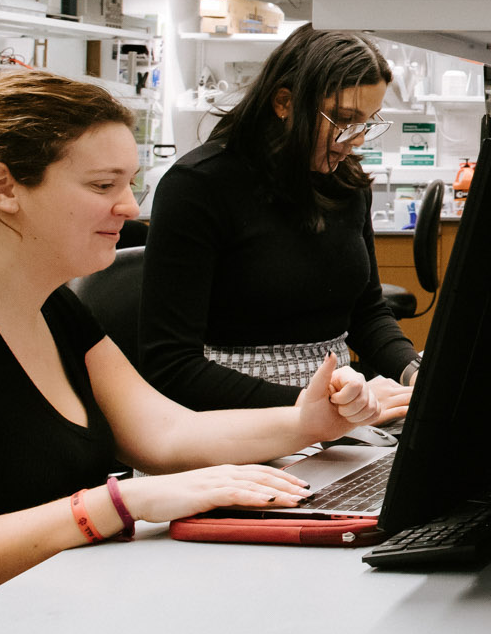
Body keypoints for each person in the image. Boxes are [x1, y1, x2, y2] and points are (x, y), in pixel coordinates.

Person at [0, 71, 395, 634]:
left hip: (35, 622)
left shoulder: (54, 308)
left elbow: (164, 433)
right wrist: (118, 502)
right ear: (3, 188)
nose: (130, 206)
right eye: (101, 185)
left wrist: (311, 421)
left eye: (130, 182)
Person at [140, 26, 419, 412]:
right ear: (284, 102)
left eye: (367, 122)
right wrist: (311, 408)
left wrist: (416, 373)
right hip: (231, 419)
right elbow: (170, 365)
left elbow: (367, 312)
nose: (356, 140)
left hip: (334, 406)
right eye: (344, 119)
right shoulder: (199, 186)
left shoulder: (346, 183)